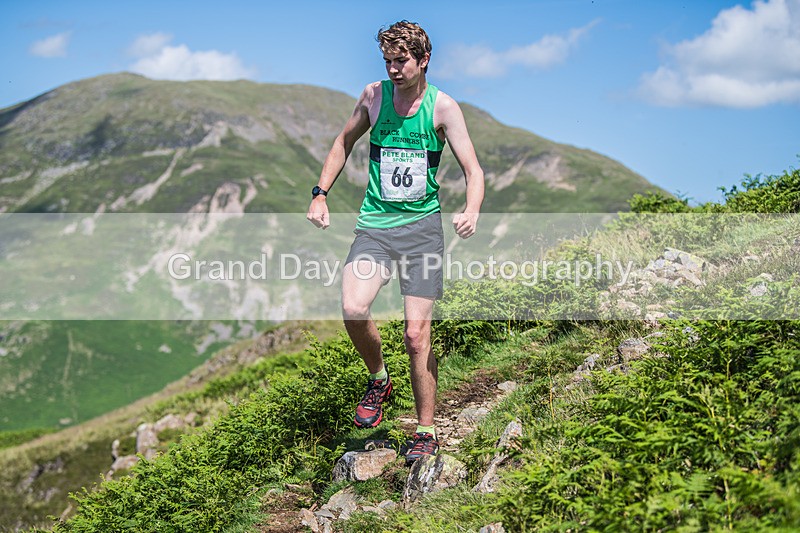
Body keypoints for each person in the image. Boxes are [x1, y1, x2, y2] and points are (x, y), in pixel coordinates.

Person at [306, 20, 484, 465]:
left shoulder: (443, 108)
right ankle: (379, 379)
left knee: (415, 335)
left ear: (423, 60)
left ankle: (426, 430)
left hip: (422, 231)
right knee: (353, 309)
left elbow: (473, 170)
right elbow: (343, 142)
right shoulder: (373, 96)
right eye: (387, 61)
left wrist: (471, 209)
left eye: (401, 61)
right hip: (376, 228)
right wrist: (320, 194)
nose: (393, 69)